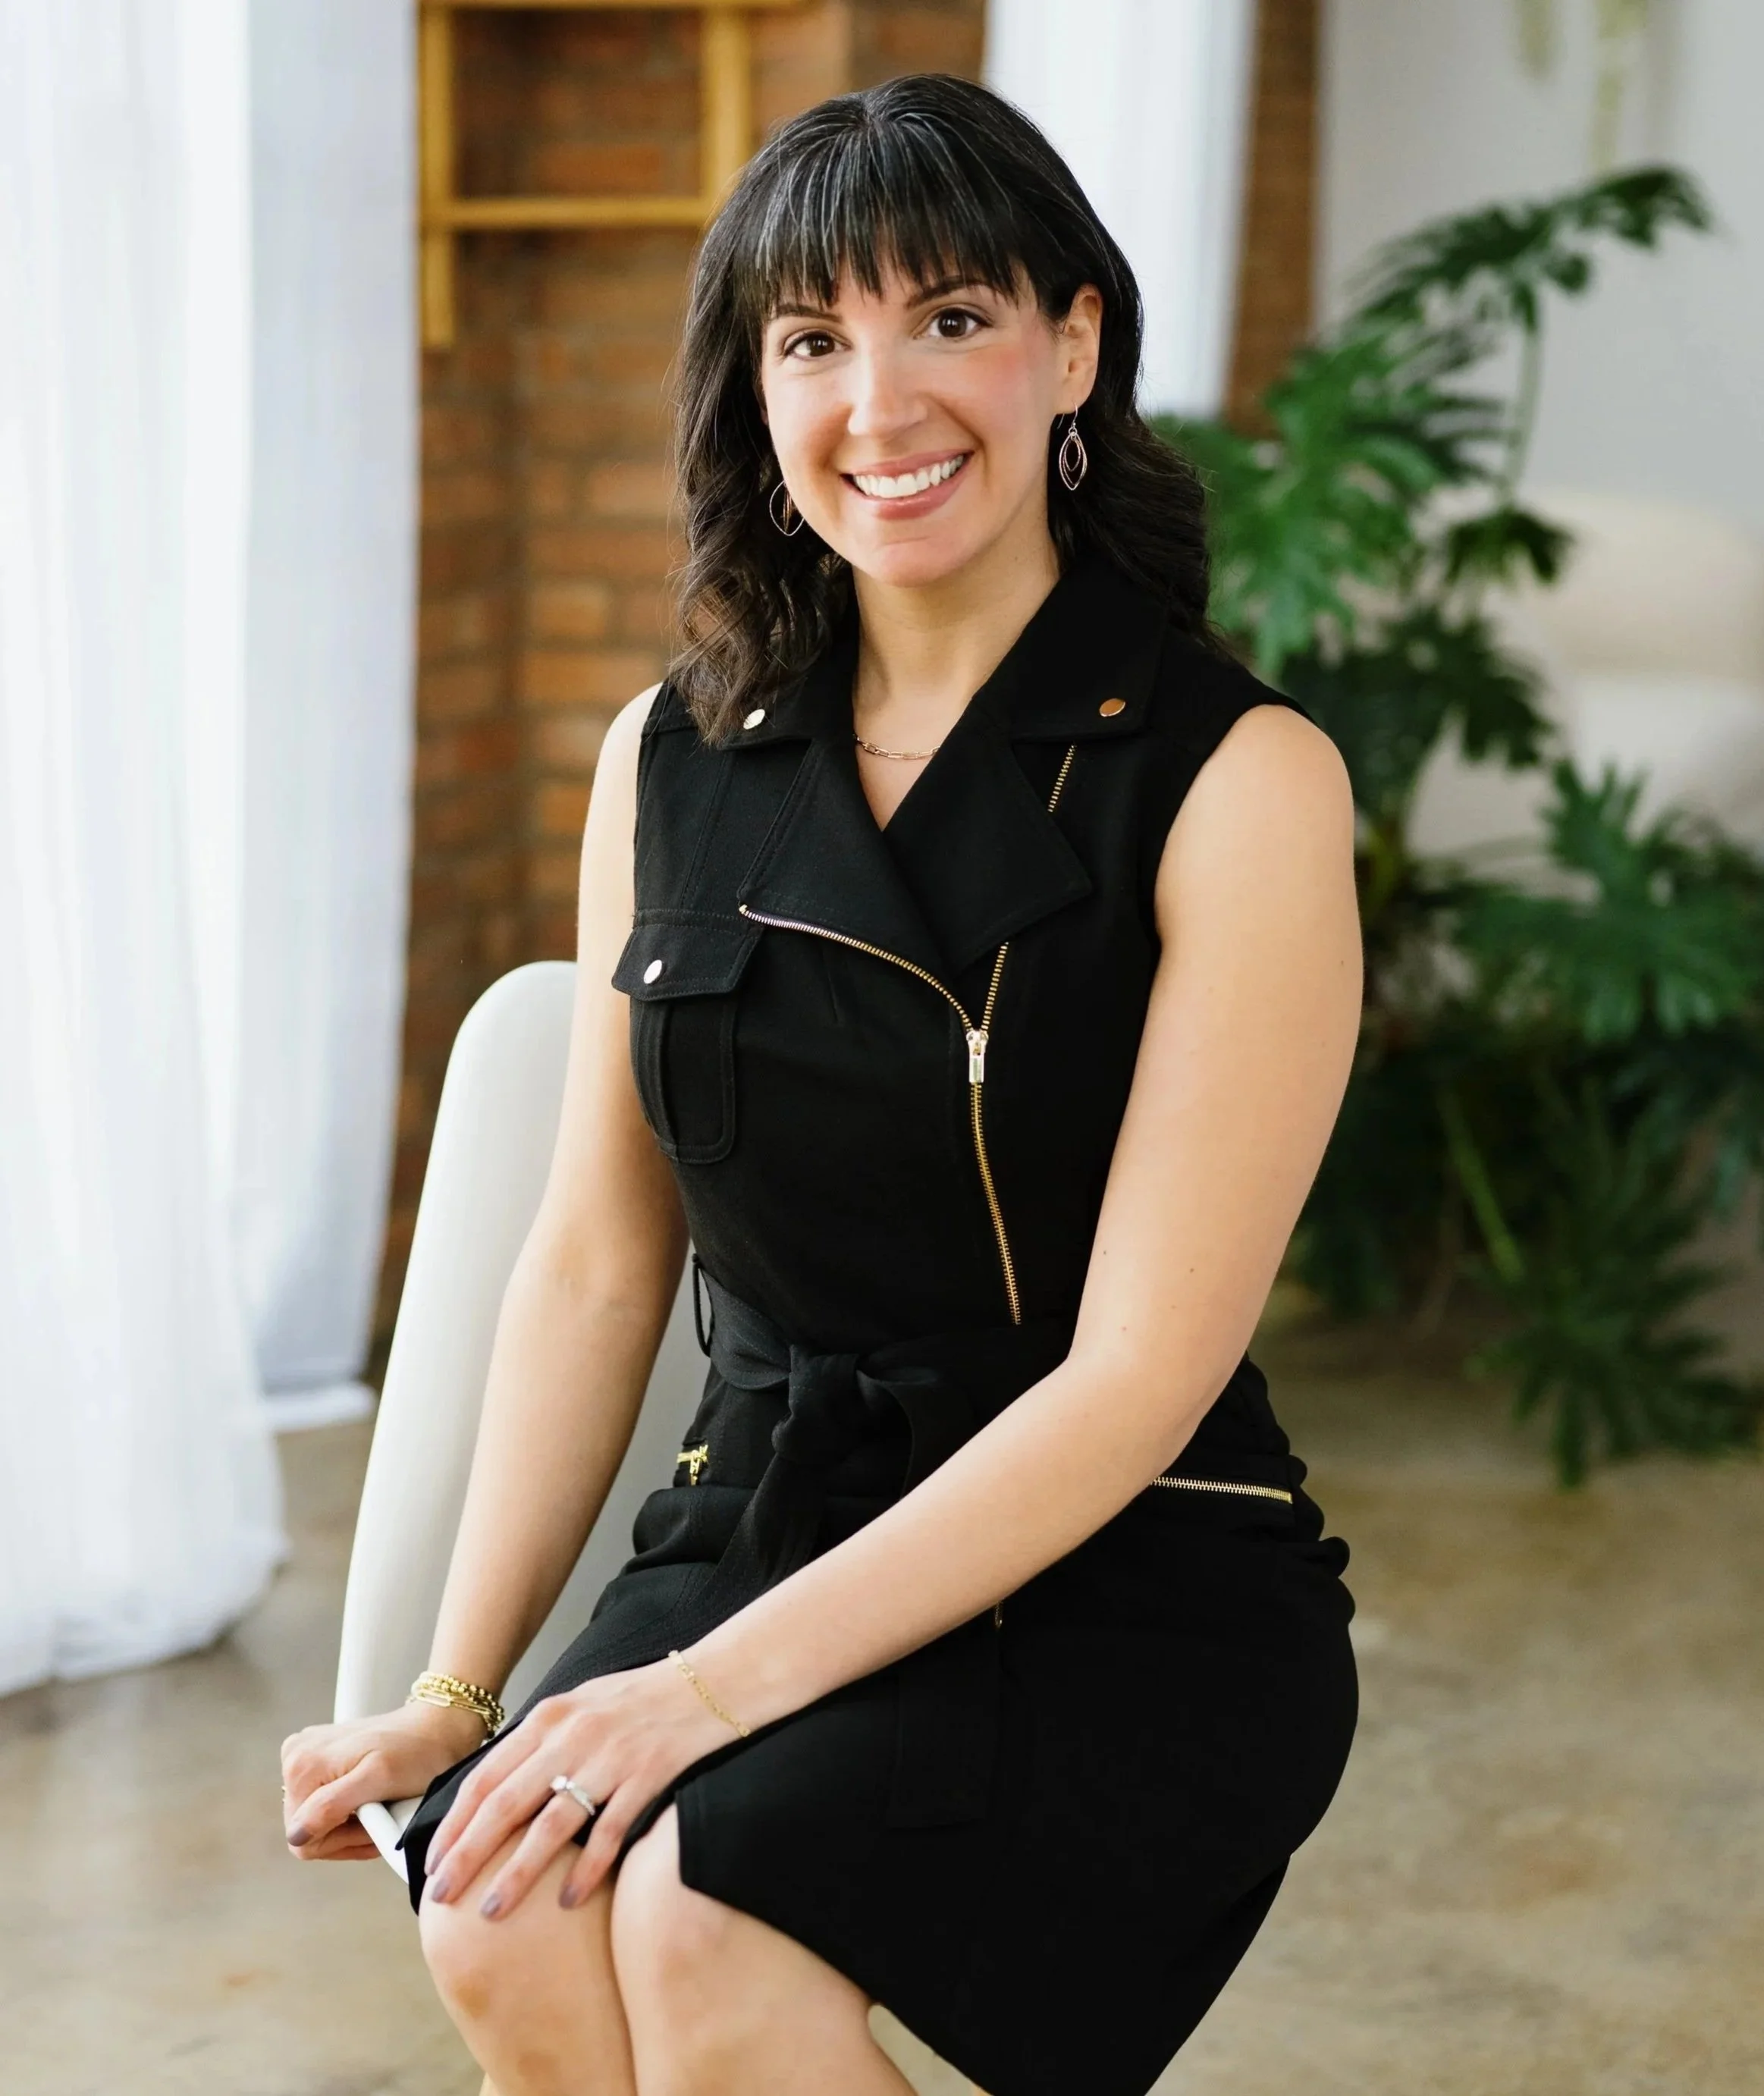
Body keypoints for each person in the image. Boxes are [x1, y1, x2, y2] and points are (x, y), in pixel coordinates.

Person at [281, 73, 1363, 2096]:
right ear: (758, 401)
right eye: (811, 338)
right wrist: (456, 1686)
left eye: (947, 315)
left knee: (707, 1906)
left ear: (1073, 344)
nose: (881, 396)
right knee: (499, 1900)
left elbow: (1136, 1377)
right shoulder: (671, 757)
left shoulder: (1232, 779)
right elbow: (599, 1267)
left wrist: (694, 1698)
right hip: (763, 1514)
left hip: (1121, 1561)